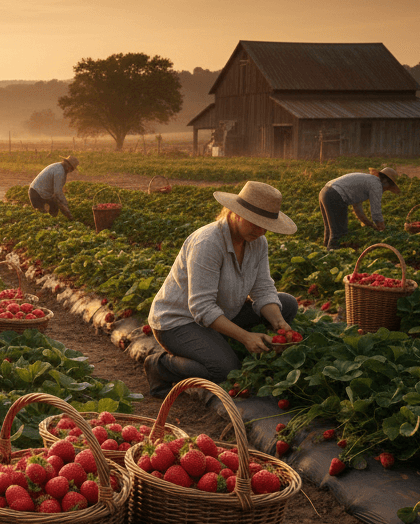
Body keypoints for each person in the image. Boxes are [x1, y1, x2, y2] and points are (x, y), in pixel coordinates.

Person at [142, 181, 299, 398]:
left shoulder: (257, 242)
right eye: (255, 223)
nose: (261, 230)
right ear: (236, 213)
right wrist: (245, 337)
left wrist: (278, 322)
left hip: (221, 313)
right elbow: (202, 307)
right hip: (179, 322)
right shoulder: (207, 243)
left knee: (287, 304)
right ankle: (160, 366)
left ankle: (216, 345)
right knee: (224, 370)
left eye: (265, 225)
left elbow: (262, 287)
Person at [318, 167, 400, 250]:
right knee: (339, 234)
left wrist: (370, 224)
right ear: (386, 182)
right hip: (335, 195)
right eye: (388, 187)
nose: (386, 190)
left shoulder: (367, 181)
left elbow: (357, 209)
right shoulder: (377, 185)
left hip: (324, 192)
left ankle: (324, 253)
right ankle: (331, 257)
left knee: (329, 229)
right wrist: (382, 228)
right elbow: (376, 212)